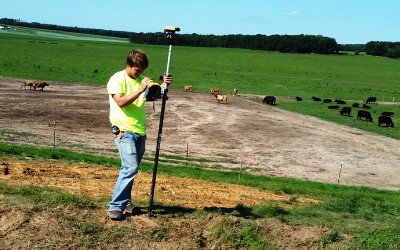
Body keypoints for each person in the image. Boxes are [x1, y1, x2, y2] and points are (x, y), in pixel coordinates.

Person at [107, 49, 173, 220]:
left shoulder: (140, 81)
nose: (140, 73)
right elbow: (120, 101)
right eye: (137, 69)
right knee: (130, 168)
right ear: (128, 65)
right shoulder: (117, 79)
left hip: (139, 132)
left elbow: (155, 95)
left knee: (131, 169)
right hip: (124, 131)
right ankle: (115, 207)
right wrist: (141, 88)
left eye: (142, 70)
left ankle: (126, 202)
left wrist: (164, 84)